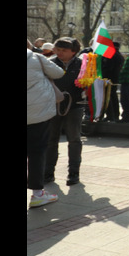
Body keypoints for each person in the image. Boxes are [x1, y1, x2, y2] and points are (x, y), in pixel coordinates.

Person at [45, 37, 87, 186]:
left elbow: (89, 84)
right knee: (51, 140)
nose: (60, 53)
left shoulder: (82, 64)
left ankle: (73, 173)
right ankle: (48, 172)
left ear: (73, 52)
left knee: (74, 139)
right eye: (58, 50)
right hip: (53, 106)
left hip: (74, 106)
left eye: (64, 50)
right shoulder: (50, 62)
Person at [28, 41, 64, 207]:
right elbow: (58, 73)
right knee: (37, 151)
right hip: (37, 114)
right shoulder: (35, 57)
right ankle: (37, 194)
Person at [101, 41, 124, 122]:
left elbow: (108, 67)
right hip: (114, 79)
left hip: (109, 79)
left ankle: (110, 115)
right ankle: (115, 115)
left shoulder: (112, 55)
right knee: (113, 97)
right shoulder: (119, 55)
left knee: (109, 97)